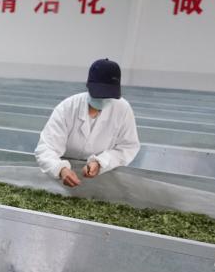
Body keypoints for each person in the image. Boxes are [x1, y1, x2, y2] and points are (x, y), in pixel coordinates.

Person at [34, 58, 141, 188]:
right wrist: (60, 169)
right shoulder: (67, 108)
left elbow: (128, 147)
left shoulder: (122, 109)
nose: (103, 99)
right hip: (61, 180)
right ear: (89, 86)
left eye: (108, 95)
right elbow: (46, 148)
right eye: (99, 94)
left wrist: (100, 162)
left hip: (102, 180)